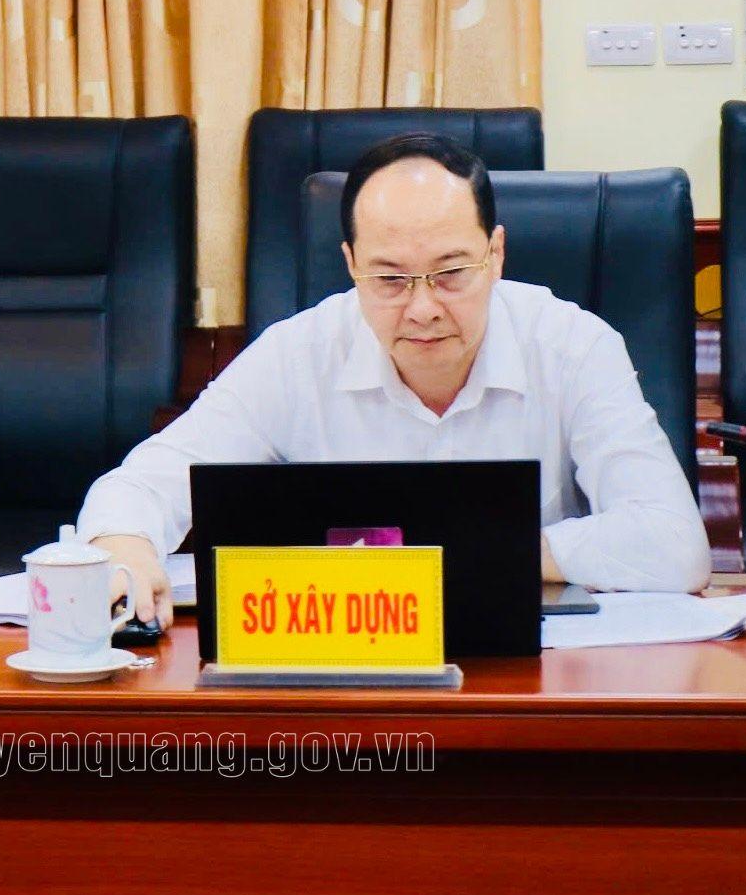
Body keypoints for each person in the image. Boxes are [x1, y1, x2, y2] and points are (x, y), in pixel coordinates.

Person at [79, 133, 712, 627]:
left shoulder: (573, 346)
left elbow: (674, 543)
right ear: (351, 263)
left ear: (495, 254)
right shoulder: (299, 353)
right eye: (389, 279)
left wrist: (473, 554)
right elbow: (140, 485)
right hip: (345, 668)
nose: (423, 308)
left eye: (451, 273)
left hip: (527, 661)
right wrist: (125, 545)